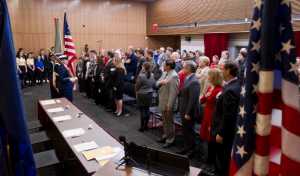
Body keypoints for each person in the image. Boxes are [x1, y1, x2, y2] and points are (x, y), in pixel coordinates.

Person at [210, 61, 241, 175]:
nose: (221, 71)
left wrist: (221, 133)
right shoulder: (233, 84)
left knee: (222, 156)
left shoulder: (231, 90)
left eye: (223, 69)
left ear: (228, 71)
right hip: (226, 128)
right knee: (223, 155)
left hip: (224, 131)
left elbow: (228, 114)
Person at [199, 68, 223, 165]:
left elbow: (217, 106)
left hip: (213, 116)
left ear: (214, 77)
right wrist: (206, 95)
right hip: (207, 113)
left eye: (209, 75)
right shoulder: (210, 87)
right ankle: (206, 157)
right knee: (205, 137)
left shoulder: (219, 90)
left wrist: (206, 96)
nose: (207, 77)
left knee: (211, 139)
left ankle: (211, 161)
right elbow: (202, 101)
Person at [177, 61, 200, 156]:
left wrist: (188, 113)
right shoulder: (188, 78)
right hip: (184, 108)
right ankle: (186, 147)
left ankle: (192, 150)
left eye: (184, 67)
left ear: (189, 69)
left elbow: (193, 99)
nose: (183, 69)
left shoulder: (194, 81)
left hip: (188, 111)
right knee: (185, 130)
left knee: (190, 131)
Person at [156, 59, 179, 148]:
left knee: (169, 122)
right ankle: (165, 135)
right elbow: (157, 83)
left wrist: (169, 105)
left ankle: (170, 140)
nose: (163, 66)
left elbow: (173, 93)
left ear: (168, 66)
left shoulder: (174, 76)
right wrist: (161, 82)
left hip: (168, 103)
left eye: (164, 65)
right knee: (165, 121)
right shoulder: (165, 73)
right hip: (162, 100)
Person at [135, 62, 155, 132]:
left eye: (142, 66)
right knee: (147, 109)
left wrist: (136, 92)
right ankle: (146, 126)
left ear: (144, 67)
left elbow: (137, 86)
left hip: (142, 94)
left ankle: (142, 127)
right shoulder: (152, 75)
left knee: (142, 110)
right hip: (149, 94)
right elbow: (153, 84)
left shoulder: (141, 76)